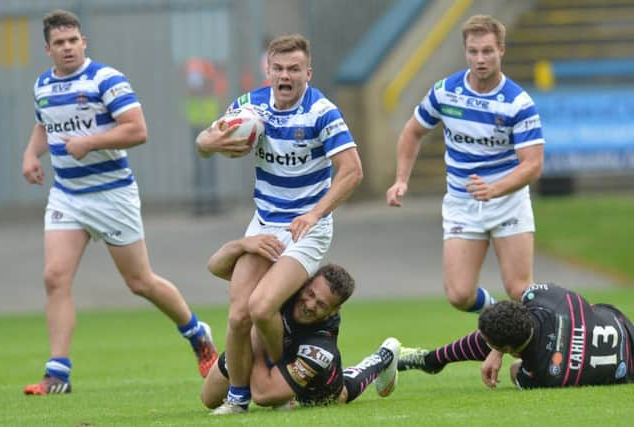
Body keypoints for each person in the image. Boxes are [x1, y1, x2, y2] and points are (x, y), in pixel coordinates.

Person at [21, 9, 217, 395]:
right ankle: (57, 374)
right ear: (48, 49)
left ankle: (196, 332)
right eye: (59, 43)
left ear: (83, 42)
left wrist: (89, 142)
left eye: (73, 40)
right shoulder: (43, 85)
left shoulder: (105, 79)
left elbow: (137, 130)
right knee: (54, 277)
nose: (67, 48)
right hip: (67, 195)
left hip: (111, 195)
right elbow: (44, 124)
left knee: (140, 282)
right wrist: (31, 155)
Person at [195, 33, 363, 412]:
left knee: (261, 307)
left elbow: (352, 171)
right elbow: (205, 140)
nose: (285, 76)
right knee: (238, 313)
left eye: (294, 69)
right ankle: (238, 398)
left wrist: (315, 213)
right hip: (265, 222)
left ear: (308, 72)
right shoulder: (251, 107)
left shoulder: (322, 111)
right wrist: (210, 143)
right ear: (268, 70)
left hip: (307, 227)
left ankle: (278, 371)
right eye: (279, 69)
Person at [385, 14, 545, 313]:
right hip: (462, 202)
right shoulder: (446, 91)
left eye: (487, 51)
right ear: (465, 52)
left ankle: (532, 353)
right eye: (473, 51)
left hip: (507, 202)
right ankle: (500, 319)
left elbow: (532, 165)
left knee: (520, 289)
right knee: (459, 294)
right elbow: (412, 131)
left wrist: (495, 189)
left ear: (502, 51)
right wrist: (401, 179)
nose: (480, 59)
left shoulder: (518, 103)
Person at [201, 236, 400, 414]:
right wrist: (243, 244)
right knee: (209, 398)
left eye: (321, 304)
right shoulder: (286, 287)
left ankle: (382, 357)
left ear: (334, 311)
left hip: (312, 382)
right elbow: (216, 267)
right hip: (267, 348)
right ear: (306, 282)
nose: (310, 305)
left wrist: (253, 343)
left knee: (337, 397)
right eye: (311, 294)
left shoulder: (320, 347)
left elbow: (262, 395)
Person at [397, 283, 634, 389]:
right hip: (622, 328)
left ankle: (432, 360)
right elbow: (584, 305)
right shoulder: (550, 298)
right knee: (586, 309)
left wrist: (497, 351)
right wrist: (497, 349)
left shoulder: (538, 375)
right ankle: (432, 360)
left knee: (499, 330)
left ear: (510, 349)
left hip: (622, 353)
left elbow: (515, 371)